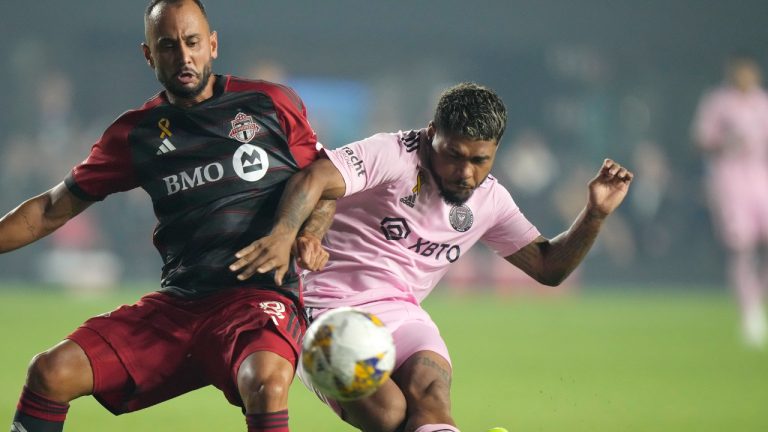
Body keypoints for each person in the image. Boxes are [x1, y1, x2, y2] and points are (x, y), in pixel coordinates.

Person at [1, 1, 333, 431]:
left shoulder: (268, 103)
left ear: (212, 45)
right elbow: (49, 209)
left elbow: (326, 181)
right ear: (149, 55)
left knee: (266, 382)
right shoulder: (135, 133)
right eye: (169, 46)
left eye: (193, 43)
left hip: (257, 300)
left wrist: (305, 234)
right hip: (181, 304)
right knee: (50, 371)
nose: (184, 57)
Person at [233, 82, 634, 432]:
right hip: (322, 310)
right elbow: (316, 177)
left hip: (402, 313)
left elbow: (549, 267)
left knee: (431, 400)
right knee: (389, 416)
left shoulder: (490, 200)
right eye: (453, 155)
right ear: (431, 135)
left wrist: (594, 214)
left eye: (480, 160)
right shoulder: (393, 154)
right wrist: (293, 234)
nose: (466, 173)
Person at [692, 54, 768, 348]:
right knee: (741, 246)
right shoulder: (718, 102)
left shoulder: (763, 102)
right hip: (731, 182)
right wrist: (724, 142)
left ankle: (757, 298)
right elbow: (700, 140)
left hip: (762, 180)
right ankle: (749, 311)